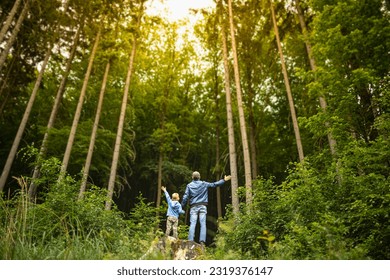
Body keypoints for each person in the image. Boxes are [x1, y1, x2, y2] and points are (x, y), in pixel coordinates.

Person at [181, 171, 231, 245]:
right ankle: (202, 241)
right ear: (199, 177)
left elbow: (185, 197)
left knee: (193, 223)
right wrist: (224, 180)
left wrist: (181, 206)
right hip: (203, 206)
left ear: (192, 177)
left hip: (194, 206)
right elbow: (214, 184)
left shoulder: (189, 185)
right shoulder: (204, 183)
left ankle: (190, 240)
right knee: (203, 223)